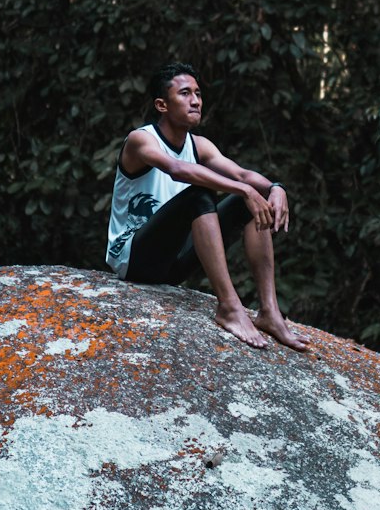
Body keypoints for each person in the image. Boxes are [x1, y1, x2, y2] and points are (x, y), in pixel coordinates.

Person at [106, 63, 308, 351]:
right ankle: (229, 307)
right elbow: (177, 169)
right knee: (200, 194)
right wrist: (245, 189)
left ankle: (269, 311)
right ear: (162, 105)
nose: (196, 100)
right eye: (185, 93)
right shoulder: (141, 140)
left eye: (198, 93)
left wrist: (276, 188)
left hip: (174, 265)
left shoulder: (199, 145)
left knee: (244, 203)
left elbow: (242, 176)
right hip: (135, 260)